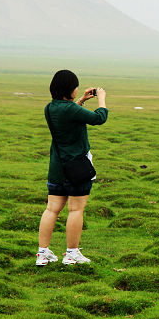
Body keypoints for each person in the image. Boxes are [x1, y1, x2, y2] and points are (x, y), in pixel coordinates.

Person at [36, 70, 108, 266]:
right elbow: (99, 118)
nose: (77, 89)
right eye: (76, 87)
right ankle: (71, 253)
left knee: (51, 210)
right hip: (76, 166)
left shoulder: (50, 108)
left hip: (57, 167)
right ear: (70, 89)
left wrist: (83, 100)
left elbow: (69, 113)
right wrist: (101, 99)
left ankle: (42, 253)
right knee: (76, 210)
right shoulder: (69, 109)